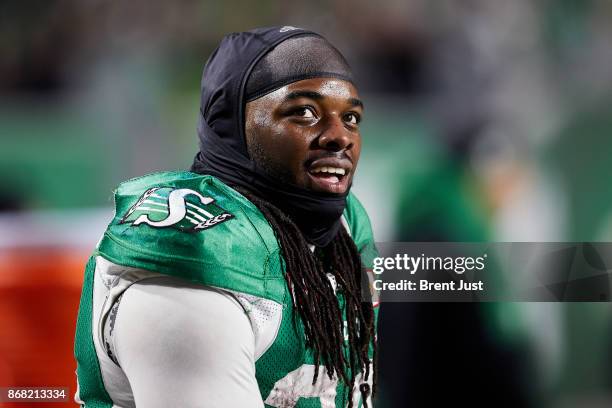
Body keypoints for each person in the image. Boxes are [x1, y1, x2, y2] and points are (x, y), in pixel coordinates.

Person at [74, 26, 379, 408]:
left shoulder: (346, 231)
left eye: (351, 118)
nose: (341, 137)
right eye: (304, 112)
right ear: (229, 124)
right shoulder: (194, 261)